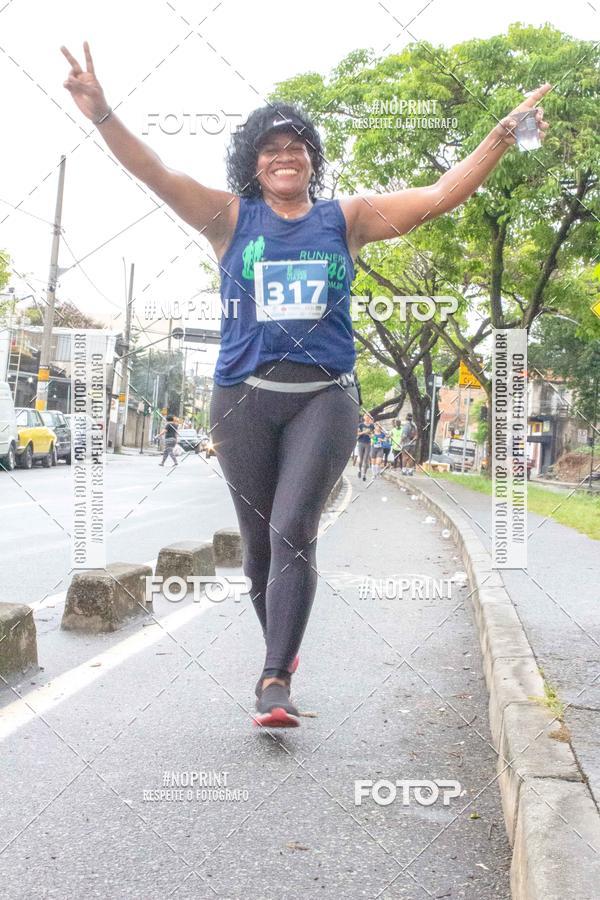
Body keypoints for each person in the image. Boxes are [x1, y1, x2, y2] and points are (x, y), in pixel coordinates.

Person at [60, 42, 549, 727]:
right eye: (270, 149)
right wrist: (103, 112)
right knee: (259, 554)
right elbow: (155, 172)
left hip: (325, 398)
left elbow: (438, 197)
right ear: (253, 163)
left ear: (313, 159)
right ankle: (283, 654)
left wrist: (500, 136)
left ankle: (272, 680)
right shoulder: (229, 218)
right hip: (241, 402)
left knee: (294, 528)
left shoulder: (345, 219)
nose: (284, 156)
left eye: (296, 147)